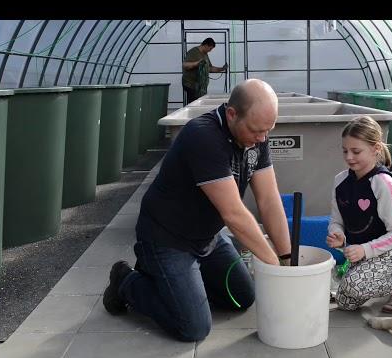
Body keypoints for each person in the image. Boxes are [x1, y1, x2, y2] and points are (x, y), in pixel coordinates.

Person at [103, 78, 291, 342]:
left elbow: (269, 199)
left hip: (208, 238)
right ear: (232, 113)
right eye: (256, 130)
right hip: (166, 238)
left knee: (242, 298)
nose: (262, 138)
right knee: (192, 327)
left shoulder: (256, 138)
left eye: (267, 130)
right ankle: (127, 282)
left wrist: (286, 259)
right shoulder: (203, 136)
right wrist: (276, 269)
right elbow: (234, 214)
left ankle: (181, 282)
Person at [326, 116, 392, 314]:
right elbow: (336, 221)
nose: (349, 157)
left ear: (376, 148)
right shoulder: (340, 181)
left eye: (356, 151)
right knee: (345, 302)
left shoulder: (383, 183)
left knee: (353, 286)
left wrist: (365, 250)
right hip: (365, 251)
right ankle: (372, 277)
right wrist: (338, 235)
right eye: (345, 151)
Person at [182, 37, 228, 105]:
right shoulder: (194, 52)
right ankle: (194, 115)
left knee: (199, 103)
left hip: (199, 86)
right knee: (194, 104)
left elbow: (209, 68)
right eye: (210, 48)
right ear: (206, 45)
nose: (210, 51)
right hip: (191, 85)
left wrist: (221, 69)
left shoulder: (204, 54)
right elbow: (185, 65)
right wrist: (197, 63)